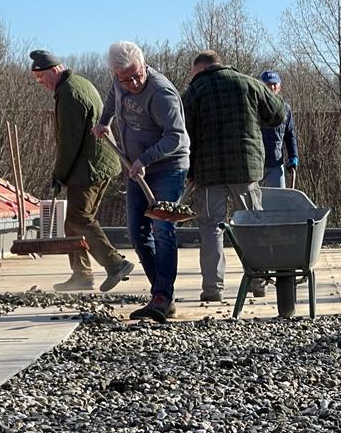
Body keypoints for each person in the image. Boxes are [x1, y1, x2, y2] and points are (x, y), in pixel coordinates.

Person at [91, 41, 190, 322]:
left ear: (144, 65)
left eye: (137, 76)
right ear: (116, 73)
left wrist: (145, 159)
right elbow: (114, 95)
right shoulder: (119, 80)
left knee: (162, 228)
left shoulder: (161, 93)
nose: (133, 83)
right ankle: (162, 294)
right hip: (136, 166)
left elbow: (176, 136)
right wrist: (104, 121)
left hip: (168, 166)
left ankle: (161, 297)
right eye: (125, 79)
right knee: (137, 232)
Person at [181, 50, 285, 303]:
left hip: (208, 172)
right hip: (246, 168)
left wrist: (190, 172)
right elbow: (279, 114)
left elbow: (185, 135)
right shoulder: (250, 84)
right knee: (252, 225)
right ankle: (258, 281)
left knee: (211, 228)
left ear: (201, 68)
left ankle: (212, 289)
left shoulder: (194, 92)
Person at [29, 49, 135, 293]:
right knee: (73, 222)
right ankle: (82, 275)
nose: (40, 82)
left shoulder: (69, 93)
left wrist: (59, 175)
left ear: (55, 70)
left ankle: (115, 264)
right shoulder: (78, 83)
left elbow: (69, 142)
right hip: (98, 163)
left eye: (41, 76)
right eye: (36, 79)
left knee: (80, 219)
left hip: (89, 167)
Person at [258, 70, 299, 188]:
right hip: (256, 164)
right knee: (253, 198)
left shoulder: (285, 109)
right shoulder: (254, 107)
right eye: (268, 84)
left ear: (279, 87)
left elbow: (290, 134)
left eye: (274, 84)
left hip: (275, 163)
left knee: (279, 197)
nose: (272, 87)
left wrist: (293, 156)